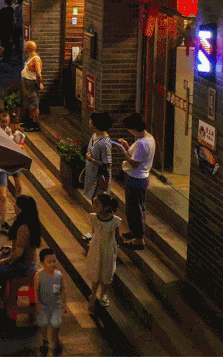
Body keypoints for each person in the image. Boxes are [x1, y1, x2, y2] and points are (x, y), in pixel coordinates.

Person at [0, 195, 41, 309]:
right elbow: (23, 247)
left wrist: (4, 261)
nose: (14, 206)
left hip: (24, 266)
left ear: (21, 209)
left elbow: (18, 254)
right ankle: (2, 290)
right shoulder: (31, 221)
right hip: (29, 261)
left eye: (16, 205)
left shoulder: (23, 228)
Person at [117, 112, 154, 250]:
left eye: (129, 130)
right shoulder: (149, 138)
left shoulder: (142, 143)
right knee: (137, 207)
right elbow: (138, 157)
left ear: (134, 128)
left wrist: (123, 151)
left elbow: (133, 163)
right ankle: (135, 233)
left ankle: (138, 239)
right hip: (141, 178)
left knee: (134, 209)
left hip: (135, 178)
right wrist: (127, 146)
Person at [85, 193, 122, 314]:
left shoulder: (115, 221)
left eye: (97, 204)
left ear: (106, 207)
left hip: (108, 249)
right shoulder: (93, 217)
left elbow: (117, 237)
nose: (94, 206)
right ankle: (92, 295)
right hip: (96, 247)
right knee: (96, 270)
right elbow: (94, 232)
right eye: (94, 203)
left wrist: (116, 247)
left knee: (106, 272)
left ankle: (103, 294)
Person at [36, 248, 65, 356]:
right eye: (49, 261)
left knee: (56, 323)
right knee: (43, 323)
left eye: (54, 261)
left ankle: (55, 340)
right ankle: (45, 340)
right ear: (42, 263)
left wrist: (64, 304)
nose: (53, 264)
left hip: (56, 305)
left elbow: (63, 290)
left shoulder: (59, 275)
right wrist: (37, 303)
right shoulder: (39, 275)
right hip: (43, 305)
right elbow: (36, 290)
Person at [83, 111, 113, 204]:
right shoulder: (94, 135)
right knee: (93, 200)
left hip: (100, 178)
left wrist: (91, 159)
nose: (89, 122)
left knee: (99, 202)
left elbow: (108, 164)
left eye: (90, 121)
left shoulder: (105, 144)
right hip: (91, 174)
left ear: (95, 124)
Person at [21, 41, 43, 130]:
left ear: (28, 48)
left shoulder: (36, 59)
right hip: (26, 83)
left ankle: (34, 125)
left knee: (33, 104)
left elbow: (38, 74)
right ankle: (28, 122)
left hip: (31, 84)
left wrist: (38, 84)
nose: (24, 48)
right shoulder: (30, 57)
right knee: (28, 103)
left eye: (25, 47)